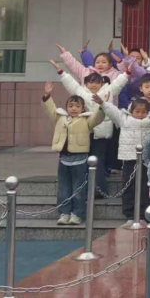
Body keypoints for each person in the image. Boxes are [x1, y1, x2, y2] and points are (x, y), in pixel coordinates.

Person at [50, 60, 129, 197]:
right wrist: (61, 71)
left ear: (102, 83)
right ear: (85, 83)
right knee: (85, 162)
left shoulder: (108, 91)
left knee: (98, 161)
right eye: (91, 82)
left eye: (97, 82)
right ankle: (85, 190)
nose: (94, 85)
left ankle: (98, 191)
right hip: (85, 133)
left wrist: (127, 73)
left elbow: (118, 83)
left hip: (101, 134)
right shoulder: (81, 92)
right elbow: (71, 83)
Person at [42, 82, 104, 225]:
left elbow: (98, 117)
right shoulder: (60, 118)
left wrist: (102, 105)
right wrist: (47, 95)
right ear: (66, 107)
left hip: (80, 159)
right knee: (63, 187)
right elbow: (50, 109)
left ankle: (77, 214)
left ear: (83, 108)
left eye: (77, 106)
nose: (74, 108)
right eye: (70, 106)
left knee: (78, 188)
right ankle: (64, 213)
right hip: (64, 158)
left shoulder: (86, 120)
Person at [97, 96, 150, 224]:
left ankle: (143, 215)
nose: (140, 115)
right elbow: (113, 111)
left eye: (143, 112)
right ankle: (129, 215)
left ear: (148, 112)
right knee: (128, 187)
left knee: (145, 188)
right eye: (137, 112)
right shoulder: (124, 119)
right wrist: (103, 102)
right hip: (129, 159)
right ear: (131, 111)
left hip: (146, 160)